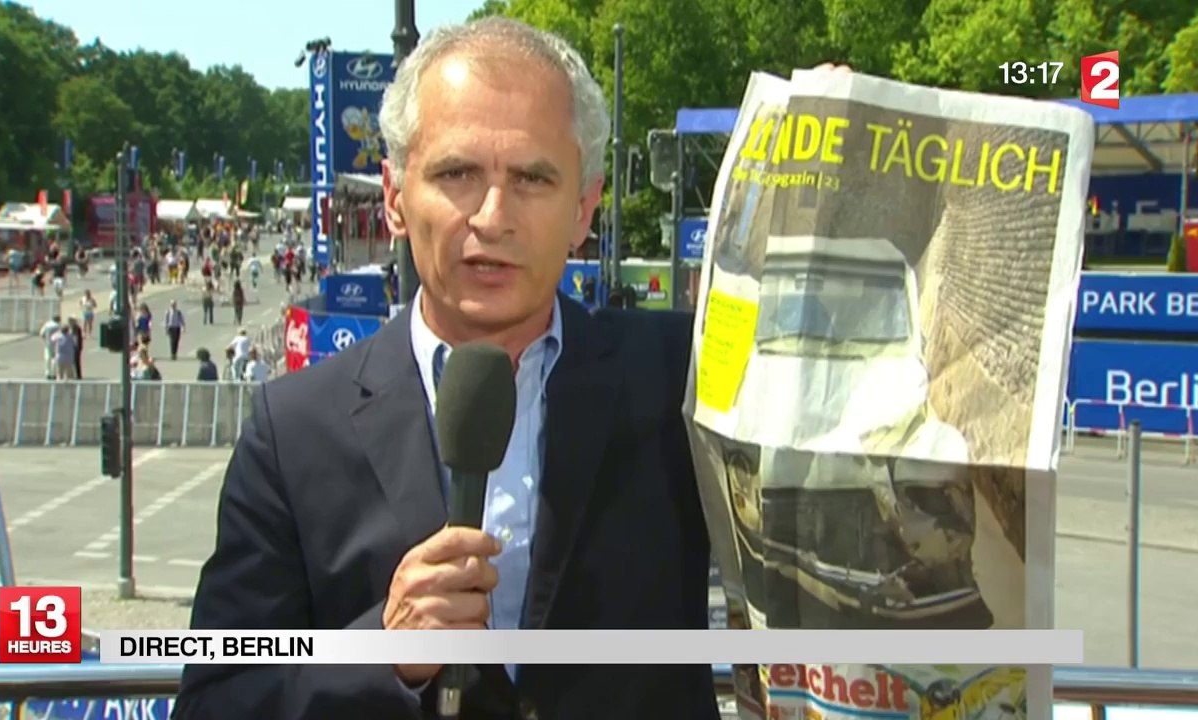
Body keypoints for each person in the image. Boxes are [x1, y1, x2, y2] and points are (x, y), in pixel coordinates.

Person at [176, 19, 854, 720]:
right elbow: (216, 702)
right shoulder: (293, 431)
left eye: (533, 177)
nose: (492, 216)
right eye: (456, 173)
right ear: (394, 197)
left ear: (583, 208)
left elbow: (852, 394)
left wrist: (847, 159)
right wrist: (379, 655)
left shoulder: (675, 377)